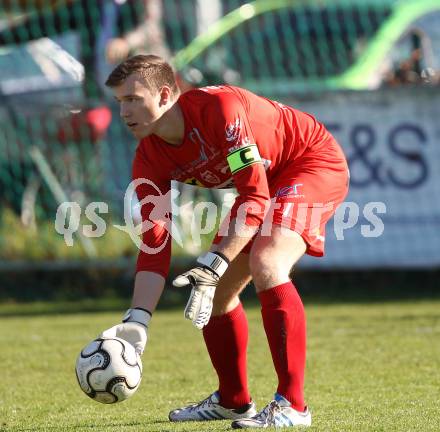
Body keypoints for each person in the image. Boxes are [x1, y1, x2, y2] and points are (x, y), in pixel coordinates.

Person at [101, 55, 349, 429]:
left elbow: (254, 197)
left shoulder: (220, 109)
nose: (125, 111)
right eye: (120, 101)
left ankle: (293, 406)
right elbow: (154, 244)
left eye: (134, 98)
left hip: (309, 162)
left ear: (166, 94)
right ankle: (233, 401)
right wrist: (138, 320)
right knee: (215, 293)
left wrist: (214, 263)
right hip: (263, 185)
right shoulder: (149, 155)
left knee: (267, 263)